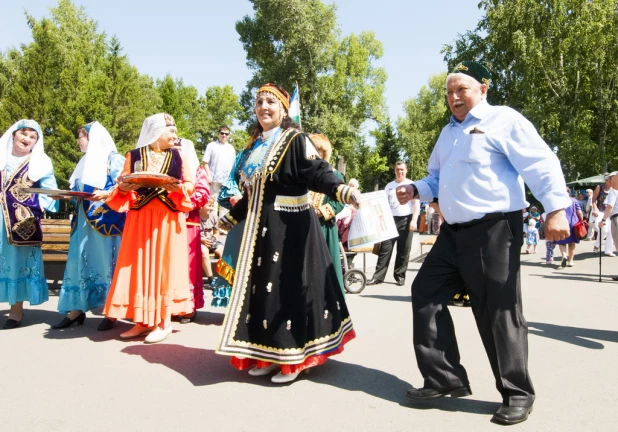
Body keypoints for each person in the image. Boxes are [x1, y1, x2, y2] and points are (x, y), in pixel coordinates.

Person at [395, 61, 571, 425]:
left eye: (462, 89)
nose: (455, 97)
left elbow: (541, 162)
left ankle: (517, 392)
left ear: (483, 90)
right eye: (449, 92)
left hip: (495, 230)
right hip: (453, 233)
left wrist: (556, 209)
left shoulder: (503, 120)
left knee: (499, 311)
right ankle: (445, 378)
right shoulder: (448, 134)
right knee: (425, 291)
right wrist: (415, 189)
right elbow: (435, 178)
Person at [216, 83, 359, 384]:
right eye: (259, 102)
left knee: (287, 291)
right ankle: (268, 354)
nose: (264, 107)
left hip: (290, 230)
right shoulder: (256, 147)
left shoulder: (295, 139)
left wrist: (341, 190)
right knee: (264, 293)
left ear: (283, 109)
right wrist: (229, 219)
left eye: (271, 102)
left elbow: (317, 171)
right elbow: (254, 194)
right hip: (261, 232)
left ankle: (292, 360)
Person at [102, 113, 195, 343]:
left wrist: (178, 187)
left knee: (164, 266)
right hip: (140, 216)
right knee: (138, 265)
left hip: (167, 218)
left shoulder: (179, 156)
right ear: (156, 132)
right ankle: (142, 321)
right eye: (170, 130)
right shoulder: (133, 155)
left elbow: (191, 185)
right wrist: (125, 186)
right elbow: (122, 187)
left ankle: (164, 321)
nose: (175, 134)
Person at [52, 122, 125, 330]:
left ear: (92, 140)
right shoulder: (84, 162)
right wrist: (65, 196)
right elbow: (79, 192)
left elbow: (125, 188)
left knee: (105, 265)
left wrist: (106, 195)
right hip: (82, 223)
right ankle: (76, 309)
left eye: (81, 137)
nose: (78, 142)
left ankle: (111, 312)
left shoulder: (114, 159)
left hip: (105, 223)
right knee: (78, 264)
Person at [0, 119, 59, 329]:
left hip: (22, 220)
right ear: (14, 135)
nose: (27, 139)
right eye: (24, 134)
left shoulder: (41, 162)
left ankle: (16, 310)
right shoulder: (1, 157)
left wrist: (37, 209)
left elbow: (50, 191)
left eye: (33, 137)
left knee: (18, 262)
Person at [367, 162, 420, 287]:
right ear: (394, 171)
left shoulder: (412, 185)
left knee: (403, 250)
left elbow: (416, 204)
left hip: (406, 219)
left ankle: (400, 276)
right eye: (397, 169)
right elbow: (383, 204)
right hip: (390, 220)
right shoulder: (389, 186)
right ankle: (378, 277)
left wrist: (414, 220)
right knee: (385, 249)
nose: (399, 172)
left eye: (402, 169)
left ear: (406, 170)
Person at [177, 138, 210, 324]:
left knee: (188, 265)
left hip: (189, 224)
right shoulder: (169, 168)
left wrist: (182, 204)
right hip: (169, 222)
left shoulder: (197, 169)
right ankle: (173, 304)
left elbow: (203, 192)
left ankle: (188, 307)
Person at [309, 132, 346, 293]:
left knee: (326, 265)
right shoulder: (302, 175)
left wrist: (320, 212)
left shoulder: (334, 174)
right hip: (303, 226)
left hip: (324, 227)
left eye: (318, 149)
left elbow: (339, 202)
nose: (314, 153)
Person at [202, 126, 236, 216]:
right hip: (213, 180)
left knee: (225, 207)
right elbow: (205, 162)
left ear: (229, 135)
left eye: (226, 134)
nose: (224, 135)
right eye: (222, 133)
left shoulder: (231, 148)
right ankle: (210, 226)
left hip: (226, 182)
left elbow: (234, 166)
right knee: (212, 204)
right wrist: (208, 176)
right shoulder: (211, 146)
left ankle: (222, 228)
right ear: (218, 134)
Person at [555, 187, 584, 267]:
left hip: (561, 222)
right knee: (571, 242)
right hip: (572, 223)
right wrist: (581, 221)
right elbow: (579, 212)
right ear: (569, 192)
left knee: (562, 242)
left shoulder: (558, 201)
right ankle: (570, 261)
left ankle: (564, 255)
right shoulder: (574, 200)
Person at [598, 171, 618, 280]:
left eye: (611, 179)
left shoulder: (613, 191)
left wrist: (603, 220)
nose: (609, 181)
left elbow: (609, 207)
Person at [590, 175, 614, 256]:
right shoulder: (599, 187)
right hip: (600, 211)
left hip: (610, 212)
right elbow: (593, 201)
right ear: (606, 180)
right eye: (610, 180)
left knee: (611, 232)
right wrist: (595, 209)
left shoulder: (614, 189)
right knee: (604, 230)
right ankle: (597, 244)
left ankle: (608, 250)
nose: (612, 182)